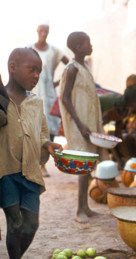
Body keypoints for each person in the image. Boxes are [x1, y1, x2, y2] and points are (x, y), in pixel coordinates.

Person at [0, 48, 62, 259]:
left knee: (31, 226)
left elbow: (42, 133)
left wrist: (48, 145)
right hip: (5, 172)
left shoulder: (36, 103)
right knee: (15, 223)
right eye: (32, 69)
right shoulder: (1, 100)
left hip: (30, 173)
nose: (36, 76)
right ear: (12, 67)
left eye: (39, 71)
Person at [59, 31, 108, 223]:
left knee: (87, 166)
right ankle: (79, 210)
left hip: (88, 123)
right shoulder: (71, 69)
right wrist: (79, 124)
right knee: (82, 165)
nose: (91, 45)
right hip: (80, 124)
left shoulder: (84, 66)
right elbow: (65, 97)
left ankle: (86, 207)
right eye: (88, 43)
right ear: (79, 47)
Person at [29, 21, 69, 177]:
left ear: (49, 32)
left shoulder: (54, 51)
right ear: (37, 31)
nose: (43, 33)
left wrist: (59, 82)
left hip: (49, 94)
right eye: (41, 30)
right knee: (32, 124)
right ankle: (32, 163)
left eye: (46, 31)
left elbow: (69, 64)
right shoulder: (29, 48)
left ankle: (43, 165)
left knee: (47, 128)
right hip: (33, 91)